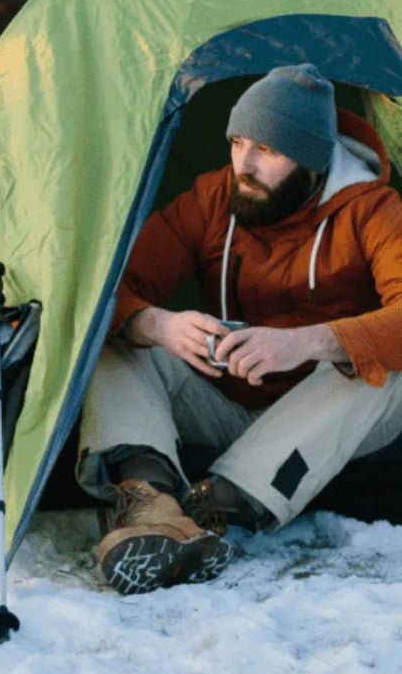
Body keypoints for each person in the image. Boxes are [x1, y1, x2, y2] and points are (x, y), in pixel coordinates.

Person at [75, 63, 402, 595]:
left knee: (384, 368)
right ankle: (152, 504)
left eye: (268, 151)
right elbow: (108, 291)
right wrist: (158, 324)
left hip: (322, 419)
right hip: (224, 399)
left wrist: (308, 342)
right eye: (237, 142)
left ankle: (214, 503)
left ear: (313, 160)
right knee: (106, 337)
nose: (242, 165)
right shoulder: (212, 198)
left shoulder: (372, 210)